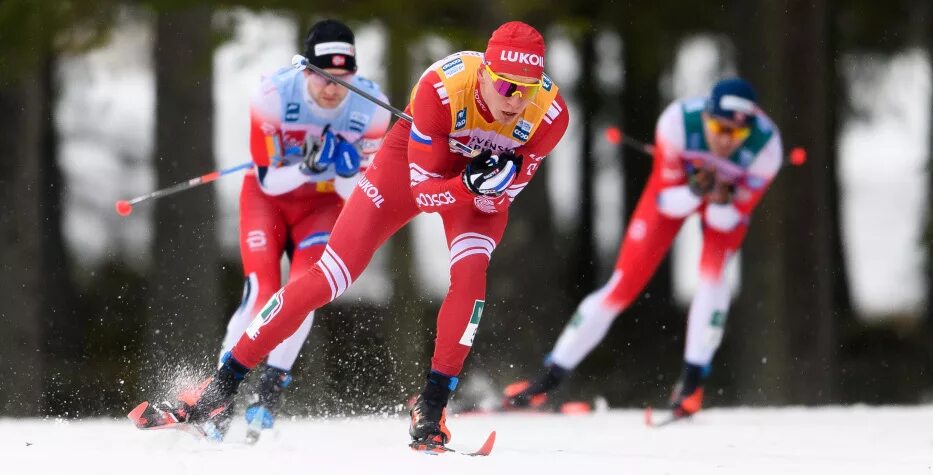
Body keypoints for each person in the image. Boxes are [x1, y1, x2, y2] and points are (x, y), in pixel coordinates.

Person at [152, 21, 569, 449]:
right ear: (484, 73)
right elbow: (425, 194)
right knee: (325, 277)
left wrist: (491, 184)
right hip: (412, 166)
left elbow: (494, 204)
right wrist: (470, 183)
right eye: (506, 87)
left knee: (471, 279)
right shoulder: (442, 87)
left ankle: (431, 407)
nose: (517, 101)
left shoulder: (551, 114)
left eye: (528, 88)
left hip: (474, 189)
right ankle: (221, 388)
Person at [503, 78, 782, 420]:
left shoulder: (767, 149)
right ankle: (545, 381)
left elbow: (727, 221)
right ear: (707, 116)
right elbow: (667, 201)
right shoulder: (678, 123)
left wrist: (722, 197)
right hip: (675, 194)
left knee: (713, 278)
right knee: (621, 285)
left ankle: (691, 386)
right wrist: (696, 189)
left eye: (735, 135)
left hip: (723, 204)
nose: (725, 140)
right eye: (718, 128)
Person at [212, 19, 391, 438]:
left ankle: (269, 392)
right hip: (267, 201)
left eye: (342, 79)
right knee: (261, 294)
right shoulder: (273, 94)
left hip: (323, 207)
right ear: (305, 71)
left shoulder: (371, 107)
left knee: (307, 289)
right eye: (324, 77)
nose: (333, 89)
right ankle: (217, 401)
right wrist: (313, 163)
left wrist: (344, 169)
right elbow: (269, 179)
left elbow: (360, 191)